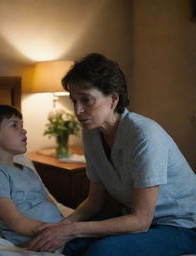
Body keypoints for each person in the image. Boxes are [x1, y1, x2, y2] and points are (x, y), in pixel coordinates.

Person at [27, 53, 196, 256]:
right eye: (74, 100)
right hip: (137, 220)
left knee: (102, 252)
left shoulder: (144, 135)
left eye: (86, 100)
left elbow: (141, 221)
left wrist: (73, 229)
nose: (78, 110)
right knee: (66, 246)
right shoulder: (91, 133)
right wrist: (60, 227)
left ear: (113, 99)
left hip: (181, 225)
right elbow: (94, 202)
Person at [0, 105, 64, 247]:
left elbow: (51, 204)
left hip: (62, 234)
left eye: (22, 125)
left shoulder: (28, 171)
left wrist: (68, 227)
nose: (23, 130)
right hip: (43, 241)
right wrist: (58, 232)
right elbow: (16, 221)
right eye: (14, 125)